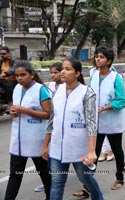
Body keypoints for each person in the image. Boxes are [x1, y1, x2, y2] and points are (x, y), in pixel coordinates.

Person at [41, 58, 104, 200]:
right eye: (62, 68)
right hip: (57, 147)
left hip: (79, 149)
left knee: (85, 179)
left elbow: (92, 123)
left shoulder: (87, 93)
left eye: (67, 69)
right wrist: (46, 145)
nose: (63, 72)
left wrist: (92, 150)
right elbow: (52, 120)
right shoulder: (57, 92)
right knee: (57, 183)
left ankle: (98, 197)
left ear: (77, 73)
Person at [5, 60, 51, 200]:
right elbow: (16, 109)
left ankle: (51, 197)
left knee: (44, 172)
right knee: (15, 174)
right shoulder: (17, 89)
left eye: (23, 75)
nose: (19, 78)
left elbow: (48, 114)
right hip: (18, 141)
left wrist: (24, 110)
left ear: (31, 74)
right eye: (17, 75)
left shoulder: (41, 90)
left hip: (36, 139)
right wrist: (13, 112)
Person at [90, 47, 125, 190]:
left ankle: (120, 178)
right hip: (95, 122)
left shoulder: (115, 78)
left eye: (101, 57)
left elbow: (122, 101)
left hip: (112, 122)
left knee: (117, 150)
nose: (98, 59)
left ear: (109, 60)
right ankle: (88, 184)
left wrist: (105, 107)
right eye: (96, 56)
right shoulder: (93, 74)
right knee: (94, 151)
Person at [34, 62, 63, 193]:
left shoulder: (68, 86)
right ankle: (49, 181)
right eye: (51, 72)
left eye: (55, 72)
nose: (52, 75)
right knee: (49, 153)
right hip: (52, 123)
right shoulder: (50, 86)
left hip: (64, 124)